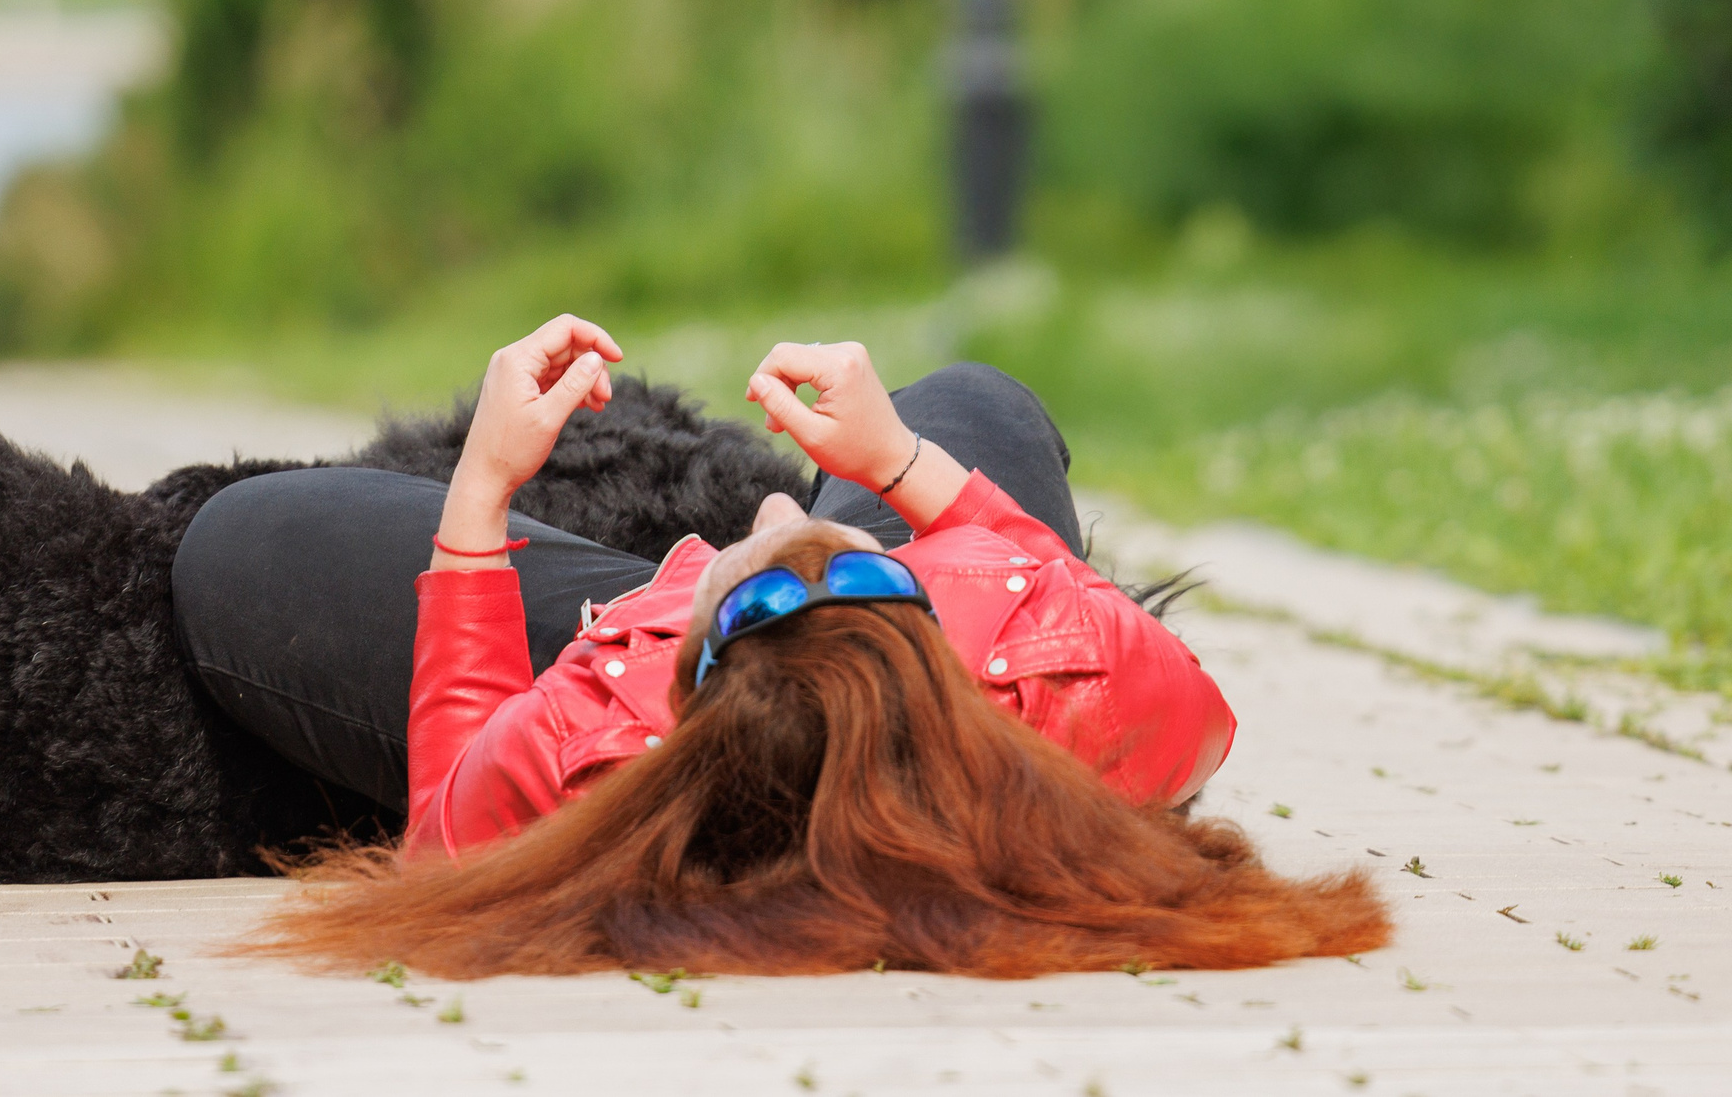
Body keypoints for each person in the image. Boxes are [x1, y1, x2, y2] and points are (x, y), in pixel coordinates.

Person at [177, 315, 1390, 978]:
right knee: (970, 398)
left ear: (680, 650)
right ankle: (873, 544)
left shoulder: (586, 745)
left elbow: (446, 829)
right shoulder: (1070, 690)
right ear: (920, 647)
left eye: (738, 551)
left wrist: (481, 491)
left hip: (701, 670)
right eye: (845, 550)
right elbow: (1138, 654)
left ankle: (767, 598)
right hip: (846, 670)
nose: (763, 508)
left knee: (242, 539)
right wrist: (903, 467)